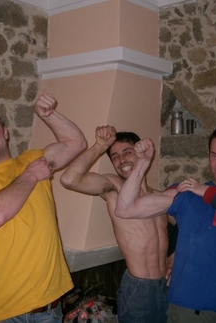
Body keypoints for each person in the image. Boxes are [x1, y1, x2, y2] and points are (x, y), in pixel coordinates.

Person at [115, 121, 216, 323]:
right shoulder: (188, 193)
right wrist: (143, 163)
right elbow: (125, 209)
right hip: (187, 309)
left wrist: (206, 191)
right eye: (214, 155)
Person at [0, 93, 87, 323]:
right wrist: (32, 174)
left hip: (49, 308)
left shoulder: (32, 159)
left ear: (5, 132)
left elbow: (77, 143)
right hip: (2, 313)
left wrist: (49, 115)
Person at [60, 126, 177, 323]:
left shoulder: (158, 196)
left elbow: (183, 228)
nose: (121, 160)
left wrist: (174, 260)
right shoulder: (113, 188)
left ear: (141, 153)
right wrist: (100, 146)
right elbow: (69, 179)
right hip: (139, 288)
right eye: (114, 157)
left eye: (127, 153)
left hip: (166, 286)